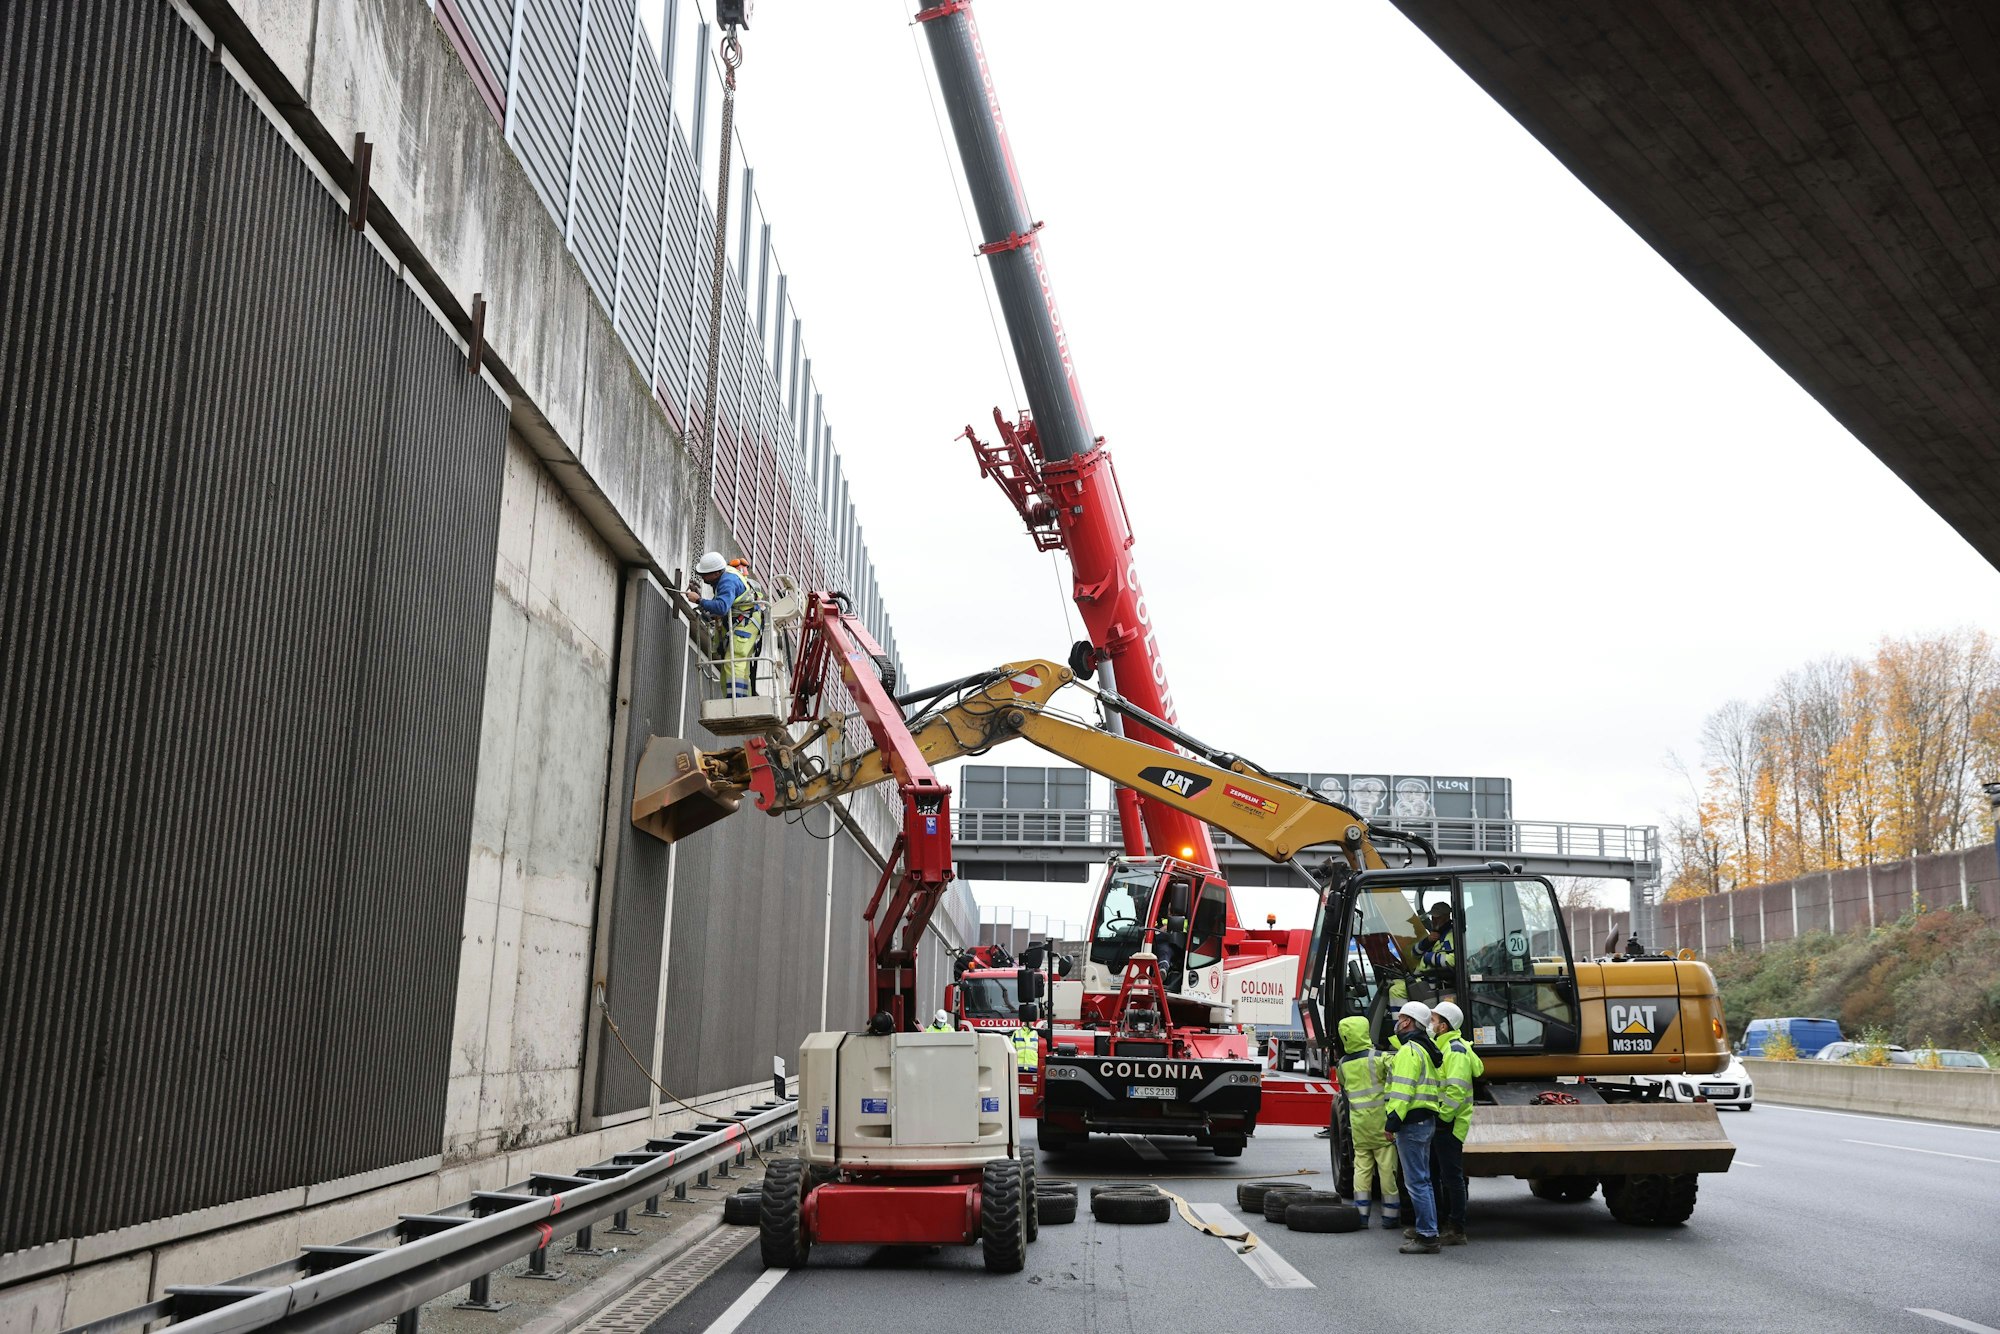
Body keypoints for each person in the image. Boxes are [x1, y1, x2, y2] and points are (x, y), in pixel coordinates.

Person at [1383, 999, 1444, 1254]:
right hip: (1426, 1121)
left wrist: (1391, 1123)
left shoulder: (1409, 1051)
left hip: (1411, 1123)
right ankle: (1428, 1229)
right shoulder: (1426, 1051)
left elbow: (1402, 1091)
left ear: (1407, 1021)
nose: (1397, 1023)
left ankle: (1427, 1236)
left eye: (1400, 1019)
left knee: (1416, 1182)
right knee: (1424, 1180)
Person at [1335, 1016, 1400, 1230]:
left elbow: (1344, 1089)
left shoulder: (1343, 1065)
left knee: (1361, 1169)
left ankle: (1362, 1215)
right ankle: (1390, 1217)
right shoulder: (1379, 1058)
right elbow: (1397, 1072)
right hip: (1382, 1125)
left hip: (1359, 1125)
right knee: (1386, 1170)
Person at [1430, 1000, 1483, 1246]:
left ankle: (1456, 1229)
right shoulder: (1444, 1046)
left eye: (1433, 1020)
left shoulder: (1455, 1051)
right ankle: (1441, 1225)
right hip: (1445, 1121)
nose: (1430, 1024)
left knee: (1452, 1177)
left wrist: (1442, 1118)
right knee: (1442, 1175)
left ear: (1443, 1026)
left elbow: (1456, 1090)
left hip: (1450, 1123)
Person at [690, 550, 763, 698]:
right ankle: (733, 702)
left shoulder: (728, 581)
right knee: (730, 665)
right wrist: (703, 601)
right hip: (743, 622)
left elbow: (722, 607)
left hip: (745, 624)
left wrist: (699, 600)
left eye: (705, 574)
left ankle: (736, 703)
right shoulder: (724, 576)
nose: (703, 577)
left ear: (716, 573)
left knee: (734, 662)